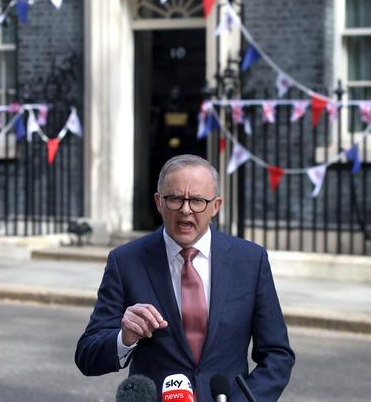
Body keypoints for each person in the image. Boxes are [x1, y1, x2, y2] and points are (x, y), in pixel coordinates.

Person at [75, 154, 295, 401]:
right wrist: (124, 338)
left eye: (198, 200)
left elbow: (277, 354)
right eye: (175, 199)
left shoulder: (250, 260)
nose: (186, 210)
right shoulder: (125, 261)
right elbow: (86, 355)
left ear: (216, 205)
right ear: (159, 202)